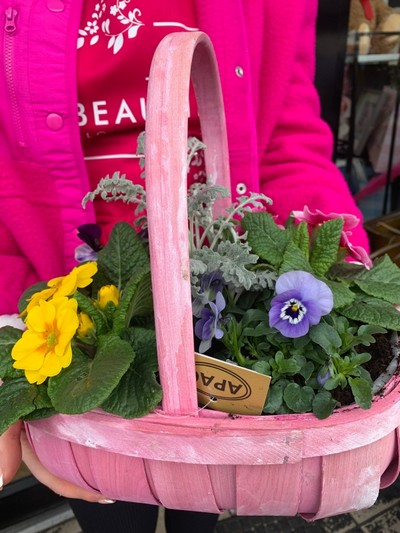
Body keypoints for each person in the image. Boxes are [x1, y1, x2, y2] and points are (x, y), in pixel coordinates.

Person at [0, 1, 370, 532]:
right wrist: (10, 330)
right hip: (73, 320)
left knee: (200, 500)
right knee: (107, 507)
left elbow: (288, 136)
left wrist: (345, 290)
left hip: (218, 313)